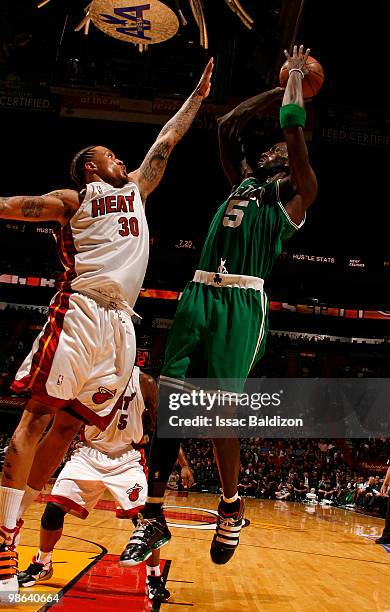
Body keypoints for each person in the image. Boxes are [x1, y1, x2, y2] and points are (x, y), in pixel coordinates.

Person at [0, 57, 213, 598]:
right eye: (109, 155)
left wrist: (196, 97)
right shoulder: (75, 199)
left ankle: (18, 518)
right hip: (83, 310)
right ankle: (4, 535)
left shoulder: (138, 190)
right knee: (37, 417)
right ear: (91, 168)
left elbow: (166, 140)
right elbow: (13, 207)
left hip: (122, 327)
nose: (121, 158)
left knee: (70, 428)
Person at [119, 45, 318, 566]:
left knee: (219, 415)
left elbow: (295, 134)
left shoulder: (296, 195)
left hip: (241, 303)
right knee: (169, 405)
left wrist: (296, 84)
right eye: (271, 147)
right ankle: (154, 516)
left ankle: (231, 507)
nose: (275, 148)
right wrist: (276, 88)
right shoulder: (245, 183)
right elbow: (228, 124)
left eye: (282, 148)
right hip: (198, 293)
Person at [17, 367, 193, 603]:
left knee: (147, 521)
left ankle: (154, 578)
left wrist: (183, 464)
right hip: (88, 454)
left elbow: (164, 427)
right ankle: (42, 563)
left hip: (127, 458)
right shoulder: (92, 372)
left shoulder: (146, 383)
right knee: (52, 511)